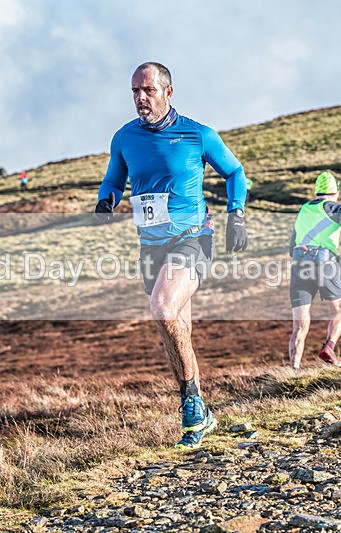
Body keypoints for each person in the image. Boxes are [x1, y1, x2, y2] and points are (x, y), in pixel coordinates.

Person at [95, 62, 248, 449]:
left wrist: (237, 214)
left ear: (168, 92)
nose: (140, 98)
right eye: (134, 91)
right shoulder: (125, 138)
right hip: (151, 246)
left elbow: (234, 172)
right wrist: (105, 200)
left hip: (193, 239)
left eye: (147, 90)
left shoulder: (197, 135)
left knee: (163, 309)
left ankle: (191, 407)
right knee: (176, 331)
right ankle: (204, 415)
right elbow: (115, 178)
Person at [287, 171, 341, 370]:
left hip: (299, 264)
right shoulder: (339, 208)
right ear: (336, 191)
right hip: (323, 263)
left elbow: (293, 242)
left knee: (299, 324)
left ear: (317, 191)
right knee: (339, 309)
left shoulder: (303, 209)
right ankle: (329, 347)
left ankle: (294, 369)